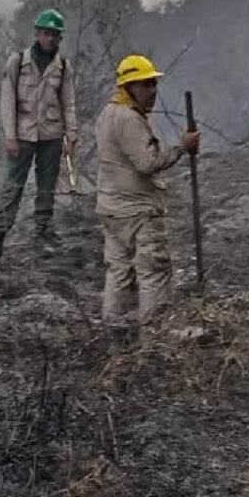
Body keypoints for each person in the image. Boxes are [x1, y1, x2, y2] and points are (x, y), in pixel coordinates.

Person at [95, 55, 199, 323]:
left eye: (153, 84)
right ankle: (154, 339)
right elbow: (148, 161)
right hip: (138, 211)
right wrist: (182, 147)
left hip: (112, 209)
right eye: (144, 84)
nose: (152, 91)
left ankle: (117, 336)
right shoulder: (128, 118)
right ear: (128, 88)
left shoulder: (107, 114)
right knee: (154, 270)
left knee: (119, 272)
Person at [0, 9, 78, 261]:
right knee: (12, 186)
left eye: (55, 35)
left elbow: (68, 102)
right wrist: (10, 135)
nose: (50, 39)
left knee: (46, 186)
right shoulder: (18, 62)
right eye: (46, 34)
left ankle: (41, 236)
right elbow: (7, 101)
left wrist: (71, 135)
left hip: (51, 134)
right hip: (22, 134)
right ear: (37, 34)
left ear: (60, 38)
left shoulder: (63, 66)